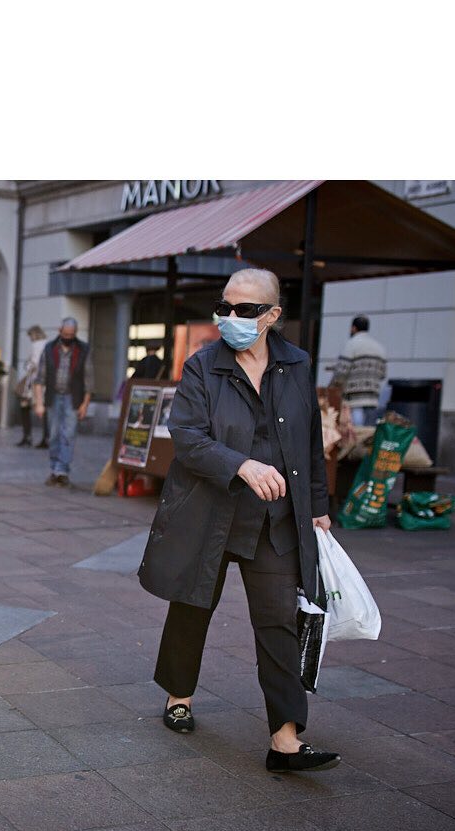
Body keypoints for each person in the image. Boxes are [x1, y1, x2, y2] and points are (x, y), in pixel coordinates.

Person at [139, 267, 340, 774]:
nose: (231, 317)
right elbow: (185, 435)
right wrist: (241, 465)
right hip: (212, 506)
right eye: (224, 307)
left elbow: (309, 441)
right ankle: (178, 695)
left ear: (272, 315)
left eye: (245, 310)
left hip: (273, 517)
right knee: (192, 605)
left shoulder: (296, 364)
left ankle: (286, 739)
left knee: (278, 621)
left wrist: (317, 505)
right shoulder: (204, 365)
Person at [33, 317, 93, 487]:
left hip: (73, 399)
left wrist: (85, 404)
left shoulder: (83, 350)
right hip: (52, 398)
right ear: (60, 331)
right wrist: (39, 403)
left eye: (72, 334)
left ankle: (62, 471)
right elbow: (40, 378)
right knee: (53, 436)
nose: (68, 336)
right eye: (66, 333)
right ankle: (54, 469)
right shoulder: (49, 348)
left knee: (68, 435)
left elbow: (89, 379)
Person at [331, 315, 387, 426]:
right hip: (373, 400)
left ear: (353, 328)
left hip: (354, 401)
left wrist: (333, 385)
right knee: (369, 434)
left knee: (355, 434)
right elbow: (382, 374)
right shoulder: (379, 348)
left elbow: (341, 372)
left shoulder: (351, 345)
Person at [15, 325, 49, 447]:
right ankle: (46, 437)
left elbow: (34, 364)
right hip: (46, 382)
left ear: (34, 334)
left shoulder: (36, 345)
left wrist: (27, 366)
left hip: (33, 383)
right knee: (44, 410)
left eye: (30, 336)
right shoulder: (48, 344)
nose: (30, 338)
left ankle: (27, 436)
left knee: (25, 406)